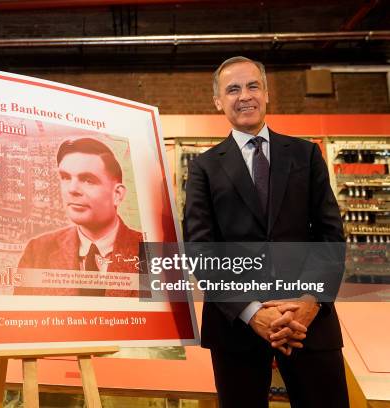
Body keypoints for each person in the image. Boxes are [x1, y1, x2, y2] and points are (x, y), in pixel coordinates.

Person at [183, 56, 348, 407]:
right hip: (237, 325)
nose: (244, 96)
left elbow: (330, 235)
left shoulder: (305, 155)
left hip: (308, 323)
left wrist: (308, 303)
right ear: (218, 101)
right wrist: (252, 312)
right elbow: (201, 250)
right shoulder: (204, 168)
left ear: (267, 93)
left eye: (252, 85)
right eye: (233, 89)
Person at [18, 137, 142, 295]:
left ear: (117, 194)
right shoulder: (37, 251)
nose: (72, 189)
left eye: (88, 180)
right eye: (65, 177)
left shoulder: (151, 254)